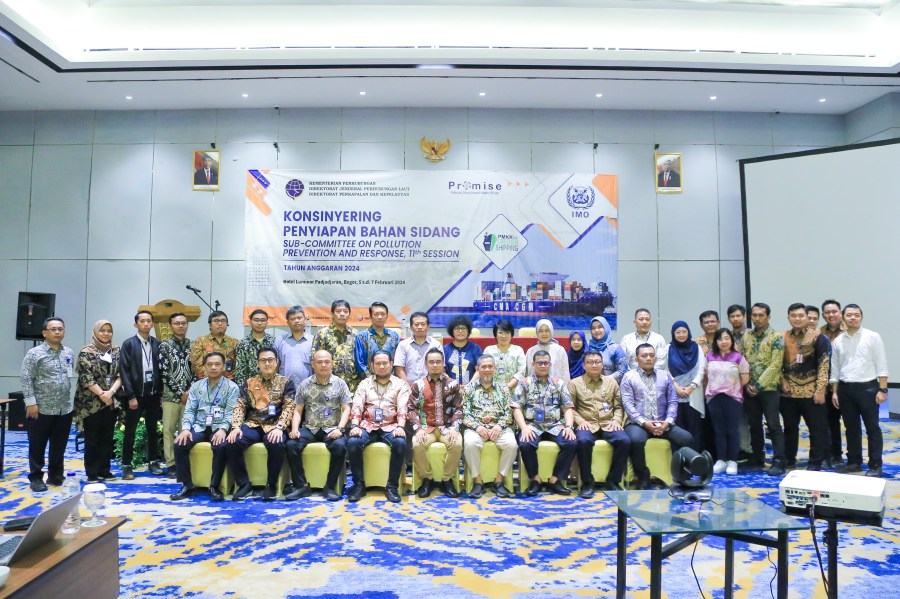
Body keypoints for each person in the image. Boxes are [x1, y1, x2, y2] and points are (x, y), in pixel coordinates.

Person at [620, 344, 695, 490]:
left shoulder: (665, 375)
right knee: (635, 440)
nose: (648, 358)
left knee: (687, 438)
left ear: (655, 358)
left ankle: (682, 475)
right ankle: (642, 476)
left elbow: (672, 402)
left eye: (651, 355)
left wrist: (668, 422)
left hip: (663, 422)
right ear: (636, 359)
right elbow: (628, 405)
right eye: (644, 355)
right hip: (637, 423)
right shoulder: (628, 377)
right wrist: (644, 423)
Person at [226, 348, 296, 501]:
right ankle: (244, 484)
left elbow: (289, 407)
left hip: (275, 425)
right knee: (232, 442)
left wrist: (280, 427)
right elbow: (240, 405)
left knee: (276, 443)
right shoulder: (249, 383)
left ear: (277, 363)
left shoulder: (286, 382)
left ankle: (271, 485)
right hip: (253, 424)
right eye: (263, 360)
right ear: (257, 363)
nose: (267, 363)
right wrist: (236, 427)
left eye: (271, 360)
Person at [170, 352, 239, 501]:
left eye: (217, 364)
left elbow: (231, 412)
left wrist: (223, 430)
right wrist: (185, 429)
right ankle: (187, 485)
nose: (213, 367)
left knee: (220, 446)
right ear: (205, 367)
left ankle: (214, 486)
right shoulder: (196, 386)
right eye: (210, 364)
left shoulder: (232, 387)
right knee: (179, 444)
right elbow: (189, 410)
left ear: (223, 367)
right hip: (200, 426)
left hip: (219, 427)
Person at [830, 304, 888, 478]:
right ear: (843, 317)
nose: (853, 318)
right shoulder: (838, 340)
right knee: (851, 428)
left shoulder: (872, 336)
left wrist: (882, 389)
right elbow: (835, 368)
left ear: (861, 317)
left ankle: (875, 465)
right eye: (849, 315)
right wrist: (835, 391)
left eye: (856, 315)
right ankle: (854, 462)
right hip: (845, 390)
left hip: (868, 389)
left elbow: (882, 364)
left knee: (872, 428)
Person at [285, 349, 351, 502]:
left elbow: (346, 408)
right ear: (313, 364)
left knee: (340, 446)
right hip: (310, 428)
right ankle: (301, 486)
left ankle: (330, 486)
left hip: (332, 428)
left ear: (332, 363)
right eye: (319, 362)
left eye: (327, 362)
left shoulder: (340, 384)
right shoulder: (305, 384)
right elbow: (298, 410)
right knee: (291, 445)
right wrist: (294, 429)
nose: (323, 365)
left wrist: (340, 429)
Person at [347, 350, 410, 503]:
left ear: (391, 364)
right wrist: (354, 425)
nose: (381, 366)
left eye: (385, 363)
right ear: (372, 365)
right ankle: (359, 485)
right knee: (353, 442)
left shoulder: (400, 384)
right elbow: (357, 406)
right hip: (368, 425)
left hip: (391, 425)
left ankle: (392, 486)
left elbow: (403, 408)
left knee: (400, 442)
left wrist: (400, 427)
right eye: (378, 363)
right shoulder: (365, 383)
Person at [21, 317, 76, 493]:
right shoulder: (34, 353)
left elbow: (68, 376)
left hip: (63, 408)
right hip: (40, 408)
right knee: (37, 445)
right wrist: (31, 403)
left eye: (60, 329)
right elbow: (26, 379)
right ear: (44, 333)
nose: (58, 332)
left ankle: (55, 475)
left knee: (59, 445)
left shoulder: (68, 352)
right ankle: (36, 477)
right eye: (53, 329)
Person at [512, 350, 577, 496]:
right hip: (532, 425)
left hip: (555, 425)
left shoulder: (558, 383)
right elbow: (516, 408)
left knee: (571, 442)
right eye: (539, 363)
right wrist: (524, 428)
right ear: (533, 364)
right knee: (525, 443)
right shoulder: (525, 383)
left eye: (546, 363)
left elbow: (567, 407)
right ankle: (535, 479)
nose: (543, 366)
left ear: (550, 364)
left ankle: (555, 480)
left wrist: (569, 427)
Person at [569, 350, 630, 497]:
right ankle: (587, 483)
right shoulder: (575, 383)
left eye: (597, 362)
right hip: (587, 424)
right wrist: (581, 421)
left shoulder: (611, 382)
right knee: (583, 441)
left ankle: (613, 481)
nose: (594, 365)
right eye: (590, 362)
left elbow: (618, 406)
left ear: (602, 364)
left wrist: (616, 420)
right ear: (584, 365)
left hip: (609, 423)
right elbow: (570, 408)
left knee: (624, 441)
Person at [781, 303, 831, 471]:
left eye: (801, 316)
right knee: (789, 428)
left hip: (812, 392)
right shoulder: (783, 337)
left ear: (806, 317)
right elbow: (777, 363)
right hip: (788, 394)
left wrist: (821, 389)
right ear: (788, 317)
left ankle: (815, 462)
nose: (797, 319)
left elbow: (824, 365)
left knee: (817, 429)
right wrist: (782, 380)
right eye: (793, 316)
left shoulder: (818, 337)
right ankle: (789, 459)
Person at [408, 348, 464, 498]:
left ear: (443, 364)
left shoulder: (453, 384)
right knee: (417, 444)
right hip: (426, 428)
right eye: (431, 362)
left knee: (457, 444)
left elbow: (459, 408)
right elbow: (411, 409)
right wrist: (418, 429)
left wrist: (454, 428)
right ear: (425, 364)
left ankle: (447, 480)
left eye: (438, 362)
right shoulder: (418, 385)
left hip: (447, 428)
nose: (435, 365)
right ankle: (427, 479)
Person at [461, 355, 517, 498]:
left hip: (499, 427)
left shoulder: (504, 389)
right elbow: (465, 413)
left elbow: (508, 413)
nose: (487, 370)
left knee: (512, 445)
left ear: (495, 368)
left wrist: (499, 426)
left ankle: (499, 481)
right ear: (477, 369)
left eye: (490, 366)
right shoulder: (469, 389)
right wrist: (477, 427)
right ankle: (477, 481)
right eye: (483, 367)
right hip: (476, 428)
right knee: (470, 443)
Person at [741, 302, 787, 476]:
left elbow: (776, 365)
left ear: (768, 317)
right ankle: (757, 457)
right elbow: (741, 360)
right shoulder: (746, 336)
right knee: (754, 425)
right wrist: (746, 384)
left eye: (761, 315)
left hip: (768, 389)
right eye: (754, 315)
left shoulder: (776, 337)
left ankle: (779, 460)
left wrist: (758, 385)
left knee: (773, 425)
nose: (757, 318)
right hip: (749, 388)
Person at [75, 320, 122, 483]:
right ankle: (92, 472)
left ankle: (104, 470)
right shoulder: (86, 352)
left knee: (107, 438)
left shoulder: (116, 351)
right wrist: (102, 394)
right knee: (92, 438)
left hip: (111, 400)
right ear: (95, 332)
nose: (106, 334)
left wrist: (111, 393)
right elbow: (86, 378)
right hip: (91, 403)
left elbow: (121, 374)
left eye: (109, 330)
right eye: (102, 330)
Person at [118, 310, 164, 480]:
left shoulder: (157, 344)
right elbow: (124, 371)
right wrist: (130, 396)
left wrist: (160, 394)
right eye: (142, 321)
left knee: (152, 430)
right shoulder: (129, 344)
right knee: (130, 431)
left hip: (153, 394)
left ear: (152, 323)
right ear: (136, 324)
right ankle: (127, 465)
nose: (146, 324)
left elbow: (162, 370)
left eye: (148, 321)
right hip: (135, 395)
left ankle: (153, 461)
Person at [704, 329, 750, 476]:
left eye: (726, 338)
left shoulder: (738, 357)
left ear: (731, 340)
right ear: (716, 341)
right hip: (714, 397)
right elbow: (706, 375)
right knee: (719, 430)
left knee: (732, 430)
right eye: (720, 339)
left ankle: (732, 461)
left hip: (732, 397)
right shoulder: (709, 356)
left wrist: (731, 385)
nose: (723, 342)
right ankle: (721, 460)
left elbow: (745, 378)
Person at [159, 312, 193, 479]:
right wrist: (181, 393)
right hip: (170, 396)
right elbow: (164, 373)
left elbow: (197, 370)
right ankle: (171, 464)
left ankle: (184, 463)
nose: (180, 326)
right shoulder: (164, 346)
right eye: (177, 323)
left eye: (183, 323)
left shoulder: (193, 345)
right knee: (169, 430)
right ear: (170, 325)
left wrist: (189, 392)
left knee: (185, 429)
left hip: (190, 397)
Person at [666, 321, 706, 450]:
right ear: (673, 333)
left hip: (693, 393)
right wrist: (676, 387)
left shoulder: (697, 348)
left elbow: (701, 369)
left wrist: (691, 386)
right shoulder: (668, 348)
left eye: (684, 332)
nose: (681, 335)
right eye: (678, 332)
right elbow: (665, 370)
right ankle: (679, 458)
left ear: (688, 332)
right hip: (675, 394)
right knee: (677, 429)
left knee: (695, 428)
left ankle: (695, 458)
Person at [312, 299, 361, 394]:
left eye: (345, 311)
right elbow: (315, 360)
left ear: (349, 314)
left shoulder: (356, 334)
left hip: (352, 386)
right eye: (338, 311)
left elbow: (360, 359)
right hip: (329, 386)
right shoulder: (322, 334)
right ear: (332, 314)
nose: (342, 314)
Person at [819, 299, 846, 468]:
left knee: (851, 423)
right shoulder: (819, 333)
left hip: (847, 384)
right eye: (827, 312)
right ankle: (833, 454)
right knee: (830, 422)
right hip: (827, 386)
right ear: (823, 315)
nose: (831, 315)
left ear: (840, 313)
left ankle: (854, 458)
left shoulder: (850, 331)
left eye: (834, 311)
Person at [393, 311, 442, 387]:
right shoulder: (403, 345)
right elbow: (399, 369)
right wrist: (407, 388)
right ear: (411, 327)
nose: (419, 327)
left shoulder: (436, 345)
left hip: (431, 388)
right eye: (416, 324)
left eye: (423, 324)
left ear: (428, 327)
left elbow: (440, 367)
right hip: (407, 387)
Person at [355, 301, 401, 377]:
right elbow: (360, 363)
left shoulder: (394, 336)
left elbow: (399, 360)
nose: (380, 317)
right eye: (376, 314)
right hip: (369, 380)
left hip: (391, 380)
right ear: (370, 316)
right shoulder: (361, 336)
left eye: (383, 314)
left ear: (387, 316)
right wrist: (371, 379)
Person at [190, 310, 238, 380]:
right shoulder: (200, 341)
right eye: (216, 321)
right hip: (206, 380)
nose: (220, 323)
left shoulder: (234, 342)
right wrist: (213, 375)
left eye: (223, 321)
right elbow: (196, 363)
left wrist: (230, 376)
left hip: (228, 381)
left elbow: (239, 363)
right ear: (210, 324)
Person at [274, 305, 314, 389]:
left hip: (308, 388)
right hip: (284, 388)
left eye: (299, 318)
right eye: (292, 319)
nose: (296, 321)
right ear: (288, 323)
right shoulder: (280, 340)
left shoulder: (313, 340)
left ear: (305, 320)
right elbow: (275, 365)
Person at [233, 309, 275, 387]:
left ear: (267, 323)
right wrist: (243, 389)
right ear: (250, 322)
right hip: (250, 387)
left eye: (262, 320)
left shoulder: (273, 341)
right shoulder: (243, 343)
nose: (259, 323)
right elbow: (240, 370)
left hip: (271, 386)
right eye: (256, 320)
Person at [483, 319, 527, 394]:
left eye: (507, 333)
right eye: (500, 333)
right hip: (491, 391)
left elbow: (521, 372)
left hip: (514, 392)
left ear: (512, 334)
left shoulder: (518, 350)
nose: (504, 336)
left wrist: (508, 387)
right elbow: (483, 370)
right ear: (495, 334)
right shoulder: (488, 350)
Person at [444, 315, 482, 386]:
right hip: (450, 388)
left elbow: (480, 370)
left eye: (463, 328)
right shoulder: (445, 349)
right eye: (457, 329)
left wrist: (469, 386)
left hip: (471, 388)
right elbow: (441, 371)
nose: (460, 331)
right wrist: (452, 384)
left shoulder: (475, 348)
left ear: (468, 331)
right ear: (452, 331)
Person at [587, 316, 627, 382]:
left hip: (610, 385)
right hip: (588, 385)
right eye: (593, 328)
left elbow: (622, 370)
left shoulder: (615, 348)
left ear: (606, 328)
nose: (596, 330)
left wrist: (605, 380)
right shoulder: (587, 345)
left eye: (600, 327)